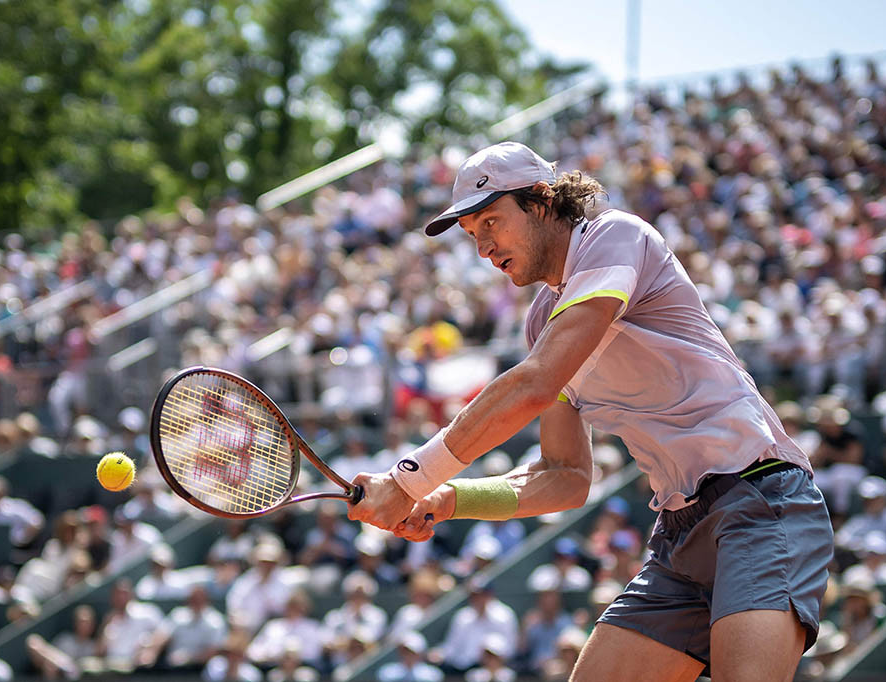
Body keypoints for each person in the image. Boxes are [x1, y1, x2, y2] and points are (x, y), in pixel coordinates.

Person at [347, 141, 834, 681]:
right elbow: (565, 478)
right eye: (472, 234)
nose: (483, 247)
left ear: (539, 200)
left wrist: (410, 477)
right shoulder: (541, 322)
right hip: (679, 534)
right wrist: (447, 498)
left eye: (491, 221)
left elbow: (535, 384)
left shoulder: (615, 236)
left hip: (762, 500)